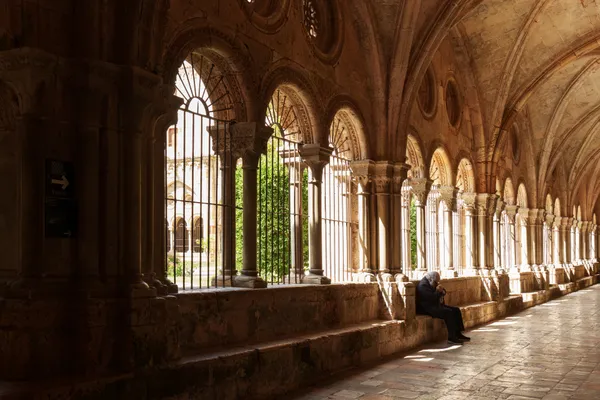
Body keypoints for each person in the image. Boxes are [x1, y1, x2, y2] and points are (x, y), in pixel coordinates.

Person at [416, 271, 470, 345]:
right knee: (448, 313)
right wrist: (438, 291)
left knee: (456, 310)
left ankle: (458, 333)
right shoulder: (423, 286)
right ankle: (451, 337)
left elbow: (443, 291)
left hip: (434, 305)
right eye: (436, 282)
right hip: (427, 308)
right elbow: (431, 298)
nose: (437, 283)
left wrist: (441, 291)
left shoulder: (431, 282)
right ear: (432, 279)